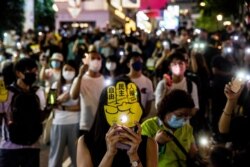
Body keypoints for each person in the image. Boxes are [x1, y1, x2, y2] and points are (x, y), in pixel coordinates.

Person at [76, 76, 158, 167]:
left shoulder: (149, 144)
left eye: (130, 103)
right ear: (104, 109)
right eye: (116, 105)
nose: (124, 109)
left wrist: (133, 155)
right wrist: (109, 154)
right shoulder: (86, 142)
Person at [0, 58, 50, 167]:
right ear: (18, 73)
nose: (33, 74)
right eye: (29, 71)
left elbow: (41, 118)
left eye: (35, 71)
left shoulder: (38, 91)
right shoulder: (5, 93)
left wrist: (50, 105)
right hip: (11, 148)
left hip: (29, 148)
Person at [141, 89, 198, 167]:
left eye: (187, 116)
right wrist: (156, 143)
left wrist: (199, 155)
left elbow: (192, 152)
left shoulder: (187, 128)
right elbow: (141, 158)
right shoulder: (148, 127)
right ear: (167, 111)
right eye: (180, 115)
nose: (184, 120)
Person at [48, 60, 80, 167]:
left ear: (76, 71)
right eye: (66, 69)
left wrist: (62, 107)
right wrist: (60, 99)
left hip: (75, 123)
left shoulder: (78, 85)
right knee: (56, 154)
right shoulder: (56, 84)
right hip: (58, 123)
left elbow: (80, 107)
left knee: (76, 155)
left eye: (71, 69)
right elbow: (50, 103)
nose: (68, 71)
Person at [70, 47, 106, 135]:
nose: (96, 61)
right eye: (92, 58)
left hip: (102, 124)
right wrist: (80, 75)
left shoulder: (105, 80)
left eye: (98, 58)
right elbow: (73, 96)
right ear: (87, 61)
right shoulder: (81, 79)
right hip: (86, 124)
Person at [126, 52, 155, 119]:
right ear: (128, 64)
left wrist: (142, 116)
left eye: (139, 61)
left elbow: (149, 102)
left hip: (140, 118)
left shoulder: (148, 82)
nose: (138, 63)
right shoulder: (123, 80)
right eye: (135, 61)